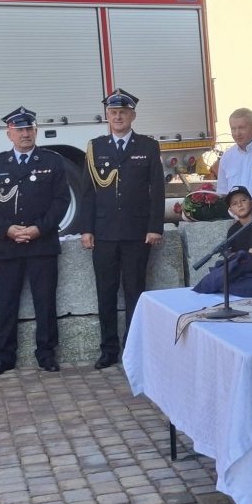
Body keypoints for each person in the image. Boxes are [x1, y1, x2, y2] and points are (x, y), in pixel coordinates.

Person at [0, 107, 71, 376]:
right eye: (19, 130)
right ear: (10, 134)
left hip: (42, 244)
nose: (25, 133)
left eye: (29, 128)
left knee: (45, 302)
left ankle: (46, 353)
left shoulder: (53, 161)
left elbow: (61, 201)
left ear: (36, 131)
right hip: (8, 245)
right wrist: (7, 229)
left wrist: (38, 229)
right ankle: (4, 356)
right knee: (7, 303)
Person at [80, 89, 165, 370]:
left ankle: (133, 348)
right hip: (103, 232)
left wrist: (155, 227)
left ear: (133, 116)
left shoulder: (148, 146)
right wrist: (86, 229)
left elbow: (157, 190)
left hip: (136, 232)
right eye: (113, 112)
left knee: (135, 292)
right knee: (105, 293)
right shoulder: (95, 147)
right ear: (107, 116)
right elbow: (87, 192)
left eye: (123, 113)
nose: (118, 117)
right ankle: (108, 350)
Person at [216, 108, 252, 202]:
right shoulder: (227, 157)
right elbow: (223, 193)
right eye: (233, 129)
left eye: (242, 128)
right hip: (235, 212)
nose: (237, 134)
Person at [224, 186, 252, 254]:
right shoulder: (232, 231)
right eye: (234, 203)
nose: (239, 205)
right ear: (231, 211)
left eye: (243, 200)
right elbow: (231, 254)